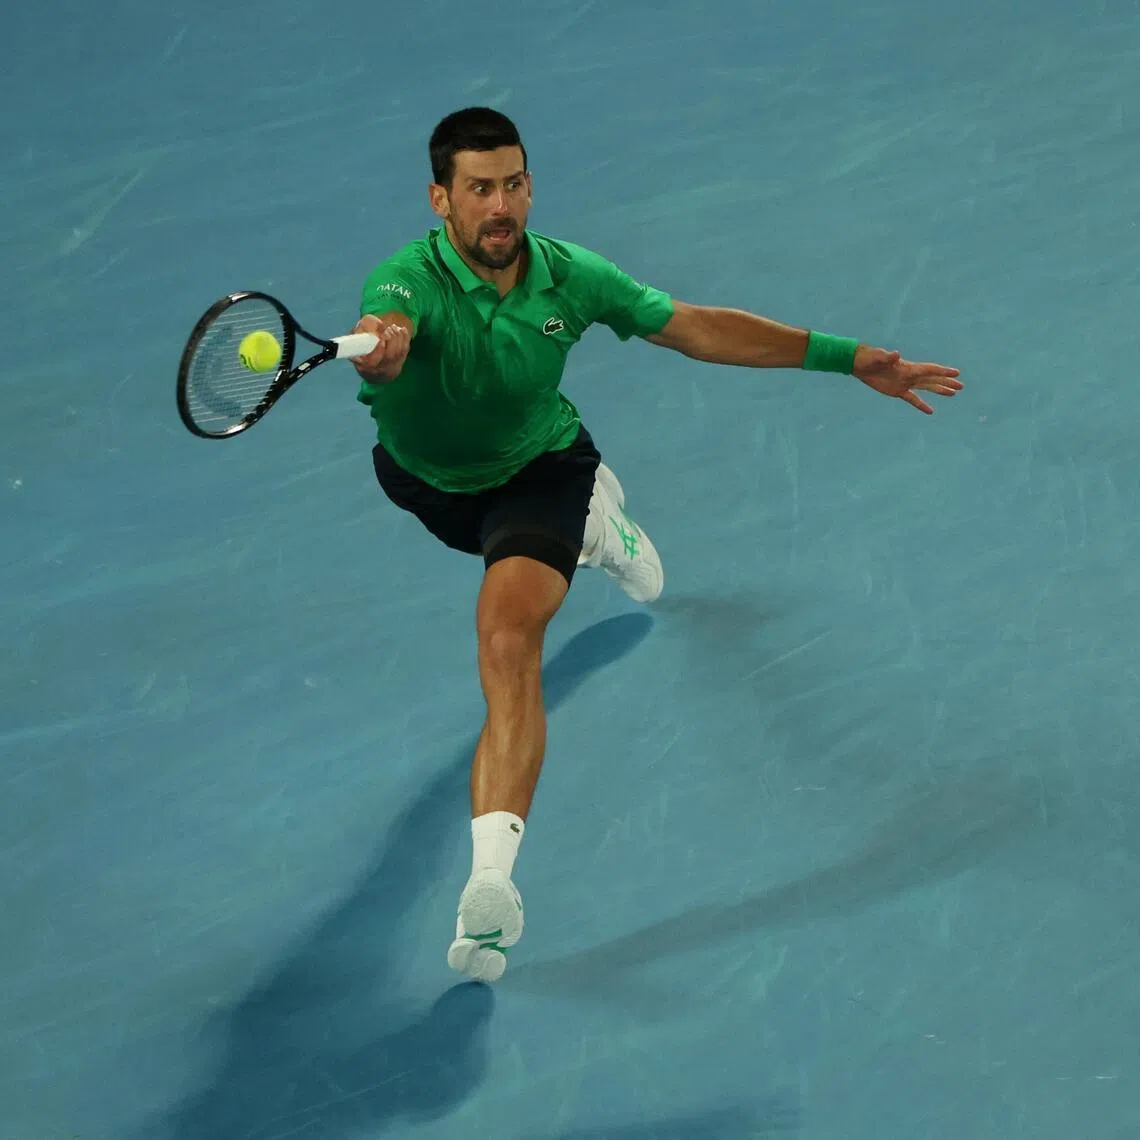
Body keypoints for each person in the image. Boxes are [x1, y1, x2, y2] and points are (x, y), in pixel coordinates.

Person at [348, 107, 962, 983]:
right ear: (439, 199)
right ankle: (604, 526)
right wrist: (388, 350)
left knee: (507, 633)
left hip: (536, 474)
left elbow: (695, 326)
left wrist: (845, 356)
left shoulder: (570, 277)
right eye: (479, 189)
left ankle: (491, 886)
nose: (501, 206)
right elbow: (391, 328)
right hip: (425, 484)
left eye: (514, 184)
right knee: (509, 593)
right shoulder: (403, 281)